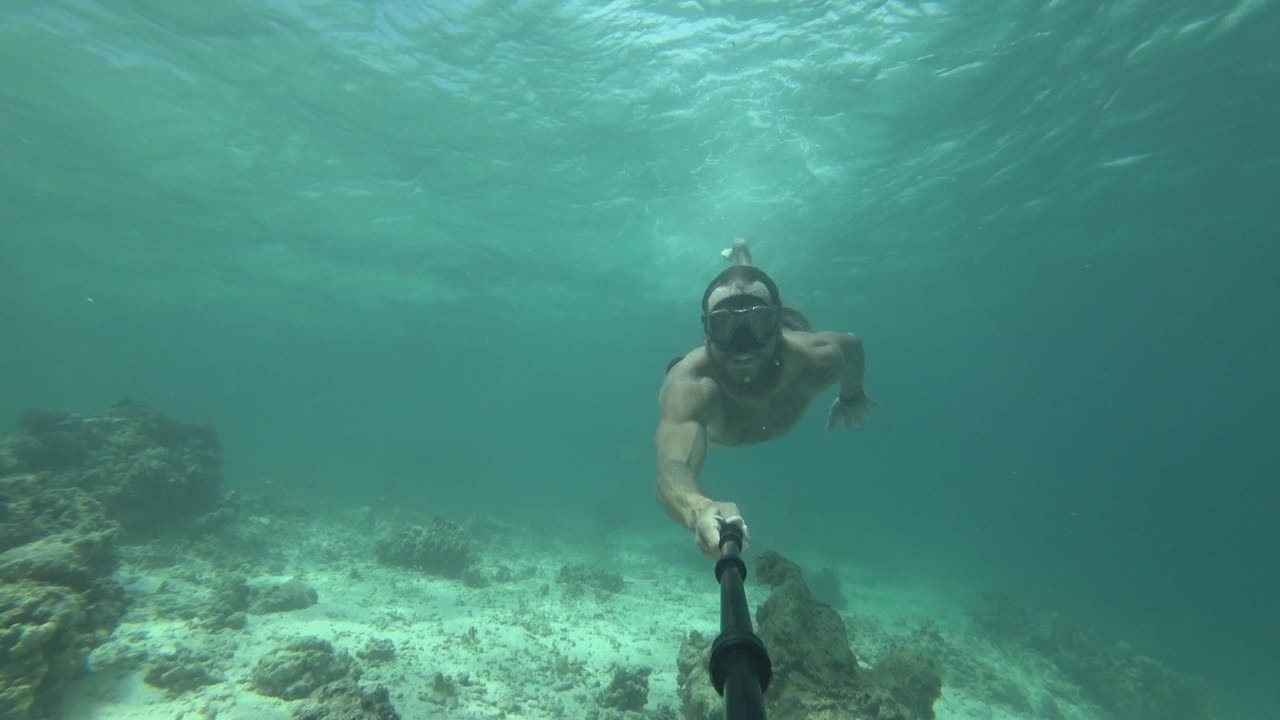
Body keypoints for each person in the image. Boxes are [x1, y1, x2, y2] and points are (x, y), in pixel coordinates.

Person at [655, 238, 877, 558]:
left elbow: (853, 346)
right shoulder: (693, 385)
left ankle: (742, 258)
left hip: (787, 343)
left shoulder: (816, 358)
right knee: (676, 377)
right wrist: (697, 507)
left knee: (753, 291)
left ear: (776, 325)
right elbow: (670, 466)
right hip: (708, 397)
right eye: (724, 326)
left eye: (757, 323)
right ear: (707, 333)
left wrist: (852, 396)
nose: (742, 344)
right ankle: (742, 259)